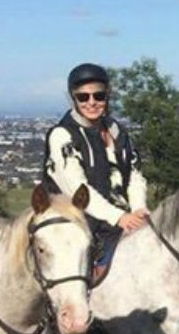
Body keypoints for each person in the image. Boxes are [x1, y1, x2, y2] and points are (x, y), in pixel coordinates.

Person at [43, 62, 149, 240]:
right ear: (73, 99)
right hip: (78, 226)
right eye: (83, 97)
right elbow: (77, 189)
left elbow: (134, 174)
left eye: (98, 96)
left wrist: (139, 209)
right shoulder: (62, 136)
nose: (91, 102)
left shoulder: (118, 132)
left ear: (107, 96)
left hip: (122, 224)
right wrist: (118, 217)